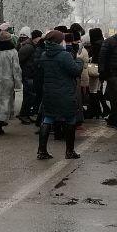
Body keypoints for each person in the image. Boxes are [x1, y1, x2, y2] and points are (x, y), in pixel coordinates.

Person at [34, 29, 83, 160]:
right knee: (70, 119)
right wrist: (79, 61)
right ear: (59, 41)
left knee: (48, 118)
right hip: (65, 93)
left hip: (49, 93)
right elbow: (76, 71)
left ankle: (42, 150)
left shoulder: (44, 55)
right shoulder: (64, 55)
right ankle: (69, 151)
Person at [17, 30, 40, 123]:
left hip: (30, 73)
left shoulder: (31, 46)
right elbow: (19, 59)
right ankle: (23, 115)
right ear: (36, 37)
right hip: (27, 73)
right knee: (29, 95)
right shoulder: (28, 47)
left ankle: (25, 114)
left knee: (30, 95)